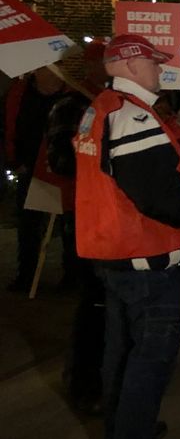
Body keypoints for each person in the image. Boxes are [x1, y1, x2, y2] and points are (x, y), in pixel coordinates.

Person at [73, 34, 180, 439]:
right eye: (154, 64)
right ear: (133, 66)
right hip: (146, 264)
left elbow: (137, 175)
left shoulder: (105, 109)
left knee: (121, 357)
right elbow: (156, 196)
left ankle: (122, 436)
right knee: (150, 362)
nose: (160, 70)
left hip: (119, 258)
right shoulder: (132, 116)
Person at [44, 39, 109, 412]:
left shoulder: (105, 102)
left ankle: (96, 374)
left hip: (101, 213)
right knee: (94, 301)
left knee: (100, 301)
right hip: (85, 214)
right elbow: (61, 162)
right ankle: (86, 381)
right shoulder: (72, 105)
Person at [4, 64, 65, 291]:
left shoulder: (69, 95)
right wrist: (14, 160)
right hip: (29, 166)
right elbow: (10, 125)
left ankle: (71, 276)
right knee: (29, 224)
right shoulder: (19, 93)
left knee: (68, 224)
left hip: (61, 168)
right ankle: (27, 274)